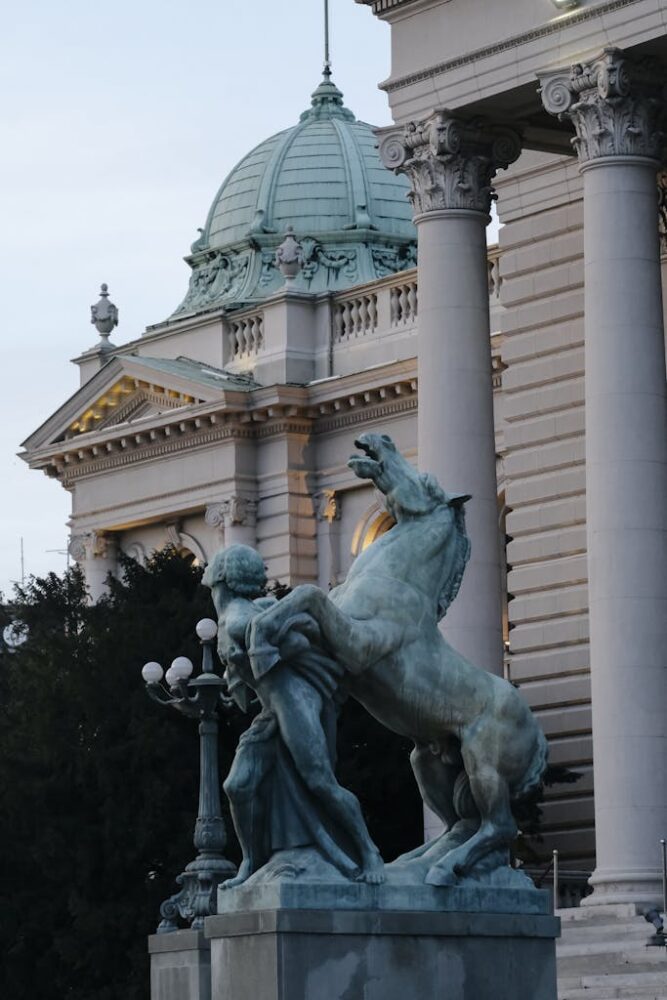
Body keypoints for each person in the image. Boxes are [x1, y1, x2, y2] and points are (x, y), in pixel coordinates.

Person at [202, 544, 384, 886]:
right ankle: (252, 862)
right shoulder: (233, 616)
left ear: (222, 578)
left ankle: (369, 852)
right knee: (237, 786)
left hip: (294, 703)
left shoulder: (240, 616)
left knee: (320, 782)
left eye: (213, 570)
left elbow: (286, 635)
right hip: (272, 710)